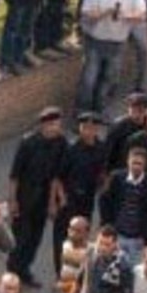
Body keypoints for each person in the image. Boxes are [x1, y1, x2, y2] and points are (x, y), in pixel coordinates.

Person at [76, 0, 147, 113]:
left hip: (118, 42)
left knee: (110, 78)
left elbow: (142, 14)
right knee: (89, 79)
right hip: (95, 41)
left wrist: (125, 16)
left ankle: (100, 109)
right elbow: (86, 13)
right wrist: (105, 12)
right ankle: (82, 113)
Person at [7, 106, 68, 288]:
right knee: (20, 239)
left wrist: (52, 204)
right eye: (52, 124)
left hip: (42, 200)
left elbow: (55, 176)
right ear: (43, 125)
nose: (56, 128)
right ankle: (12, 274)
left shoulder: (61, 143)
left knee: (35, 239)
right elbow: (15, 175)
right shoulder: (28, 143)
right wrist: (12, 201)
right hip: (25, 197)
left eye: (58, 124)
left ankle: (24, 270)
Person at [53, 113, 106, 274]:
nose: (88, 131)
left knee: (81, 237)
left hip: (86, 199)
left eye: (91, 128)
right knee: (63, 238)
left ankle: (76, 271)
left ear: (97, 129)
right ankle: (61, 273)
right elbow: (57, 178)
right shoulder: (71, 148)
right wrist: (61, 199)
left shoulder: (100, 148)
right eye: (84, 127)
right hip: (69, 199)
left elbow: (101, 173)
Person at [99, 147, 147, 266]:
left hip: (139, 239)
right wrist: (107, 227)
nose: (136, 167)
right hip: (118, 235)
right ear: (128, 161)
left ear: (145, 165)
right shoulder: (116, 178)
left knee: (135, 273)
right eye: (133, 163)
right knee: (113, 270)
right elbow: (104, 202)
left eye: (139, 163)